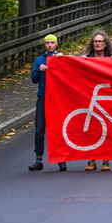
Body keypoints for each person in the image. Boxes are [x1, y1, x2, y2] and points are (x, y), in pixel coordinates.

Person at [29, 34, 66, 172]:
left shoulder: (61, 58)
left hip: (57, 99)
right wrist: (39, 70)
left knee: (57, 129)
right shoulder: (39, 60)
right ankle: (38, 159)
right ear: (44, 45)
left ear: (56, 44)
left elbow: (69, 76)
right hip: (43, 98)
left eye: (52, 43)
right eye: (47, 43)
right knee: (39, 130)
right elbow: (34, 79)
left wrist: (62, 61)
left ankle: (61, 160)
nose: (50, 45)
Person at [85, 30, 112, 172]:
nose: (97, 44)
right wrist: (59, 59)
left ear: (105, 44)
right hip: (90, 97)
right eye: (95, 41)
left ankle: (106, 160)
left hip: (107, 97)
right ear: (92, 43)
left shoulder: (111, 58)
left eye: (100, 41)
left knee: (106, 129)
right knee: (92, 129)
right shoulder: (86, 58)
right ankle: (91, 160)